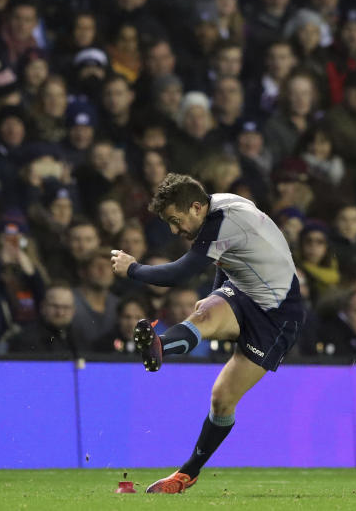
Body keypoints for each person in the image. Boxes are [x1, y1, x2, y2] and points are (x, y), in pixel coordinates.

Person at [110, 173, 307, 494]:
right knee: (203, 314)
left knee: (222, 400)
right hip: (244, 292)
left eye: (176, 221)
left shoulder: (224, 220)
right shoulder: (221, 207)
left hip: (278, 316)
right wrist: (219, 292)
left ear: (197, 207)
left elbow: (180, 272)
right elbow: (227, 258)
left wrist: (133, 269)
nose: (175, 230)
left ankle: (188, 472)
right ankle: (159, 347)